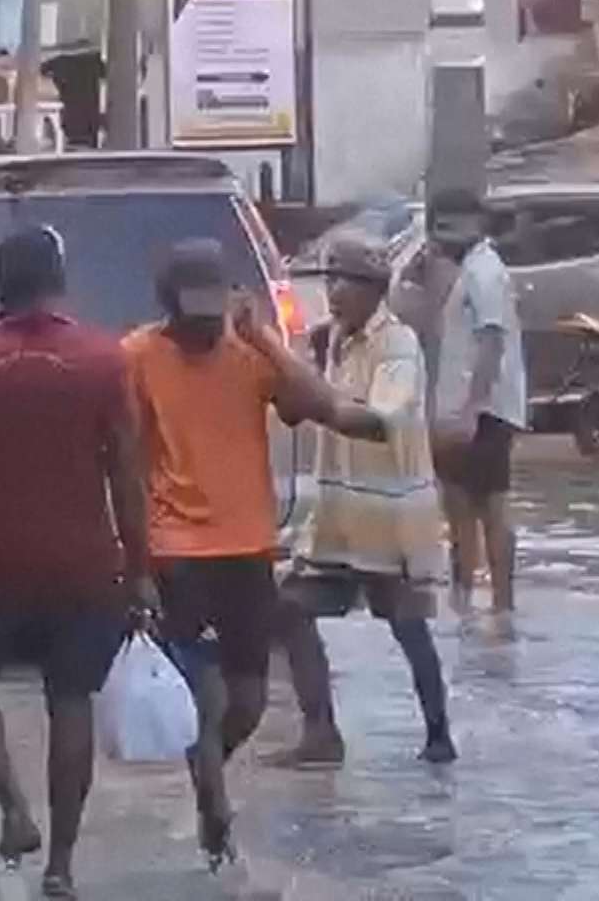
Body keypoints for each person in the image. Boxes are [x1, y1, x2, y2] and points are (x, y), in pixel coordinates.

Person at [122, 238, 381, 866]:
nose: (207, 325)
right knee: (207, 698)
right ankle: (217, 821)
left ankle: (204, 765)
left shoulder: (251, 355)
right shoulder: (134, 358)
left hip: (249, 549)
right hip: (177, 552)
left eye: (216, 311)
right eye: (195, 313)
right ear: (167, 307)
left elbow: (326, 408)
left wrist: (264, 337)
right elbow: (125, 465)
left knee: (250, 702)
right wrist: (134, 565)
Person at [0, 227, 151, 899]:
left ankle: (15, 809)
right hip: (84, 564)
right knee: (71, 700)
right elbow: (129, 478)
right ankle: (63, 867)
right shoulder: (105, 360)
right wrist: (139, 569)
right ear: (59, 281)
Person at [267, 234, 456, 767]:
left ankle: (438, 734)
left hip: (389, 519)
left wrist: (306, 391)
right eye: (328, 279)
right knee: (289, 610)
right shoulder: (333, 342)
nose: (331, 291)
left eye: (342, 281)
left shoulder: (397, 344)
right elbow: (297, 409)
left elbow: (378, 422)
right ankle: (321, 734)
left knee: (407, 626)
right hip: (339, 519)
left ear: (374, 290)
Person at [426, 188, 528, 614]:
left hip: (484, 411)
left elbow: (491, 340)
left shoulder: (484, 272)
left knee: (487, 504)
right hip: (471, 409)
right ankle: (465, 594)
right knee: (460, 500)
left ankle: (499, 603)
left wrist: (472, 408)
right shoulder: (470, 270)